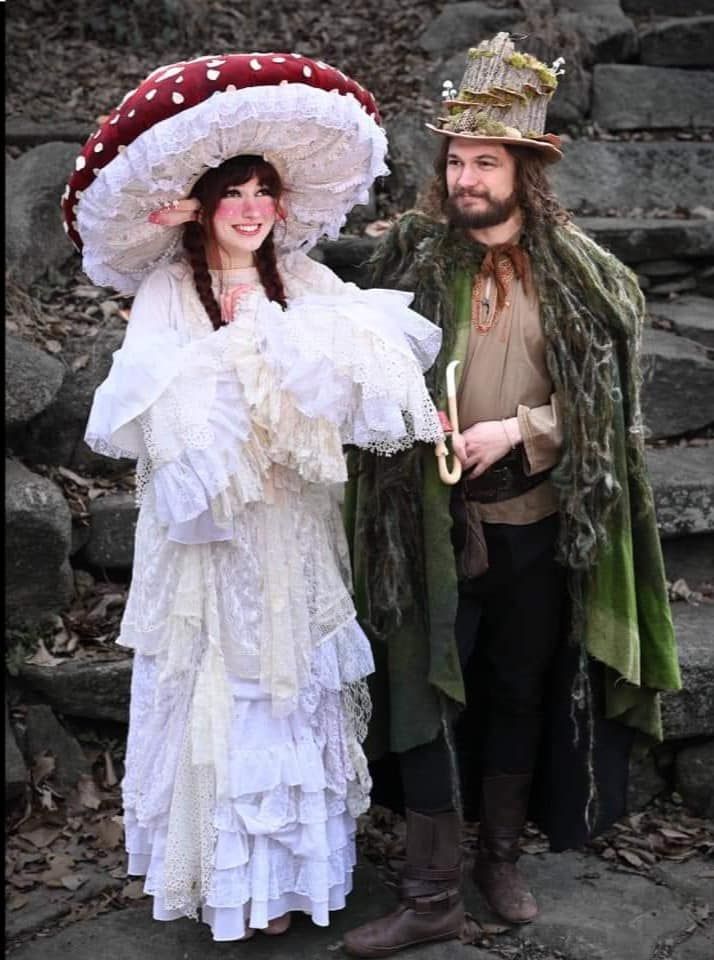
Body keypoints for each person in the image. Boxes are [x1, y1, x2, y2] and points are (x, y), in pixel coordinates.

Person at [63, 53, 445, 942]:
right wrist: (234, 364)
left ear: (281, 205)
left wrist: (274, 337)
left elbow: (370, 370)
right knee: (222, 693)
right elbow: (157, 410)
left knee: (293, 688)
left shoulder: (303, 283)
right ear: (201, 205)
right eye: (229, 191)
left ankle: (292, 881)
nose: (248, 207)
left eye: (262, 191)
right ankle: (232, 887)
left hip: (294, 528)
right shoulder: (166, 289)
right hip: (213, 541)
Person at [343, 33, 681, 957]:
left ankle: (499, 858)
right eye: (455, 160)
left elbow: (606, 403)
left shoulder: (582, 274)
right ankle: (428, 891)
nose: (466, 178)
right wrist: (416, 421)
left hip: (535, 527)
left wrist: (521, 430)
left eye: (486, 162)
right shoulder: (411, 259)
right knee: (422, 691)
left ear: (526, 170)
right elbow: (360, 362)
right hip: (430, 524)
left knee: (519, 691)